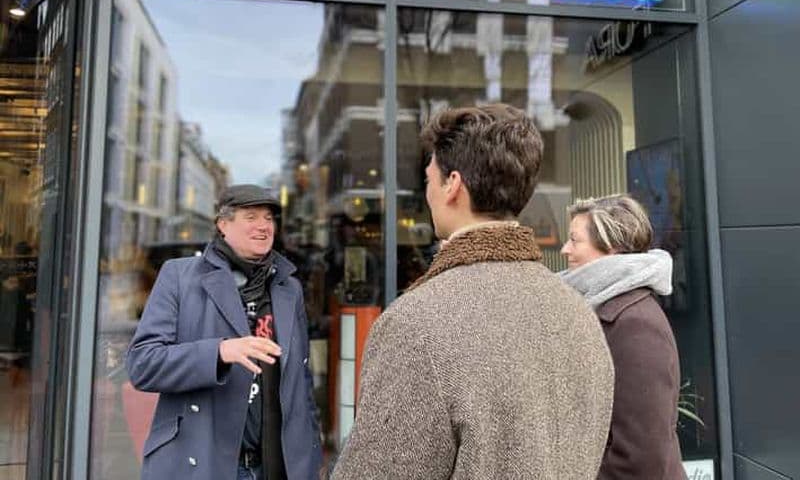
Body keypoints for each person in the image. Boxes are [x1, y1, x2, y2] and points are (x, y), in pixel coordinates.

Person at [331, 104, 614, 479]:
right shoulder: (577, 311)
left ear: (453, 185)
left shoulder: (416, 324)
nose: (427, 194)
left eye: (429, 179)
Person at [126, 184, 322, 480]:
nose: (263, 226)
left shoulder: (287, 287)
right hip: (204, 464)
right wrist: (219, 352)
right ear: (223, 224)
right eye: (251, 216)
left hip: (274, 467)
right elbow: (143, 364)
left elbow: (301, 382)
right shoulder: (179, 276)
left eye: (269, 218)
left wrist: (310, 455)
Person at [560, 194, 686, 479]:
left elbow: (638, 459)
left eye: (575, 240)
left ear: (613, 249)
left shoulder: (637, 326)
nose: (565, 249)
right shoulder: (604, 311)